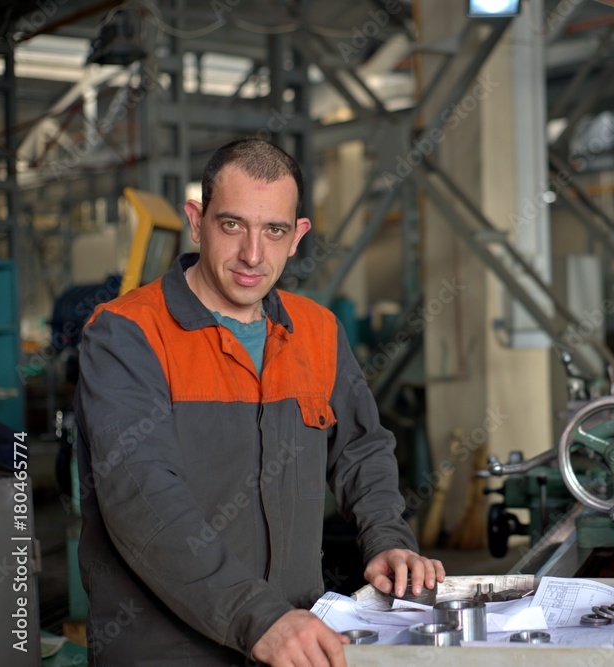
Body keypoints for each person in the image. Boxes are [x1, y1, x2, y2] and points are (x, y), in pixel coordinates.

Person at [75, 138, 444, 666]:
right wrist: (258, 617)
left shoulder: (317, 330)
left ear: (297, 236)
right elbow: (142, 499)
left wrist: (386, 537)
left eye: (273, 231)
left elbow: (361, 449)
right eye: (233, 225)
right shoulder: (127, 334)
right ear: (197, 221)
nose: (253, 255)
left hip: (292, 642)